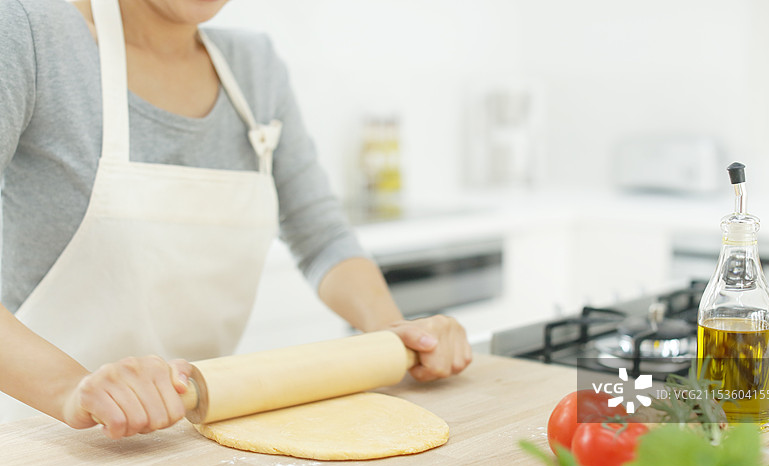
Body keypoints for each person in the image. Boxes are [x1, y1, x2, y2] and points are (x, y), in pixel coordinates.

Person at [0, 0, 472, 439]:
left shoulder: (253, 68)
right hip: (47, 444)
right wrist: (70, 389)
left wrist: (393, 334)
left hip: (196, 439)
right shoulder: (29, 35)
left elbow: (321, 235)